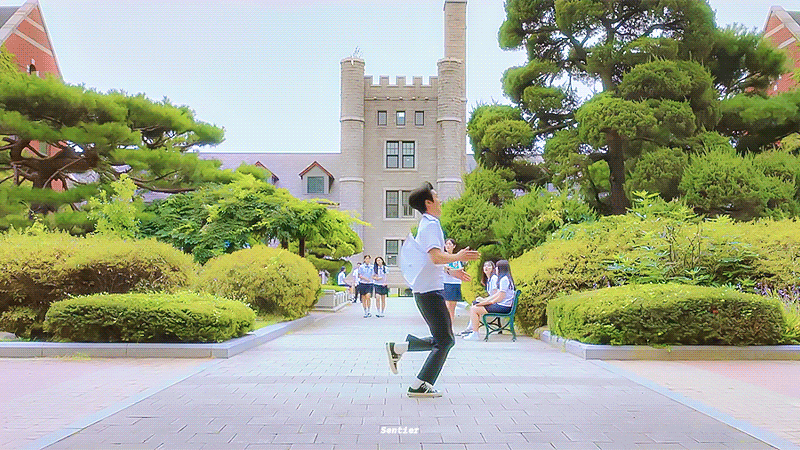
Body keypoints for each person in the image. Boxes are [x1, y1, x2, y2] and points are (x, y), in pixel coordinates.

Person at [385, 182, 480, 398]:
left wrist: (451, 271)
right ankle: (419, 385)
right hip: (429, 292)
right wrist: (457, 257)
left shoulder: (429, 224)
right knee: (445, 340)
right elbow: (435, 257)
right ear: (428, 203)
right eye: (437, 197)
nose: (440, 201)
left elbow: (429, 261)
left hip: (428, 290)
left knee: (443, 339)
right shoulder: (430, 225)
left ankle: (399, 349)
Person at [463, 259, 515, 341]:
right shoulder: (504, 279)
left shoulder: (504, 280)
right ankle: (473, 331)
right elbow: (497, 294)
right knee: (475, 306)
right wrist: (485, 301)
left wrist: (489, 302)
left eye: (497, 267)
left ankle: (475, 333)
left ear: (501, 269)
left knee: (474, 309)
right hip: (503, 306)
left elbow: (500, 297)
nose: (496, 269)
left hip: (503, 307)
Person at [458, 260, 496, 336]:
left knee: (475, 307)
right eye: (485, 266)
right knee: (474, 303)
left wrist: (484, 300)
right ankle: (471, 327)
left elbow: (495, 295)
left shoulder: (494, 278)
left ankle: (472, 329)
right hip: (491, 301)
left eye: (489, 266)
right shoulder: (488, 280)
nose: (486, 267)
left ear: (493, 269)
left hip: (495, 303)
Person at [442, 238, 464, 326]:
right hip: (447, 283)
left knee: (452, 308)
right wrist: (452, 270)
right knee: (447, 306)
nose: (448, 246)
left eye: (450, 244)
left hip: (456, 283)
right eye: (446, 244)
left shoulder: (456, 258)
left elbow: (461, 269)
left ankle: (450, 327)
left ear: (454, 246)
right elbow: (445, 269)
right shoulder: (443, 257)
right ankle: (445, 326)